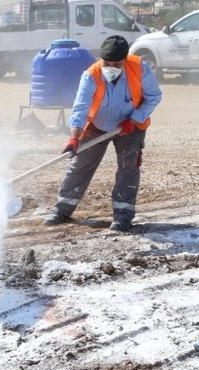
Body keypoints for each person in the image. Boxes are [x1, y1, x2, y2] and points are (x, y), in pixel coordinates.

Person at [45, 35, 162, 232]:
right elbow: (80, 108)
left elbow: (154, 96)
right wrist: (74, 137)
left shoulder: (139, 68)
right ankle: (62, 209)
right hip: (97, 126)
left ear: (125, 59)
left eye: (116, 64)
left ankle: (123, 216)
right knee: (79, 166)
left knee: (128, 169)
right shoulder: (91, 74)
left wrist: (134, 119)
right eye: (107, 63)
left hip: (130, 128)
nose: (111, 67)